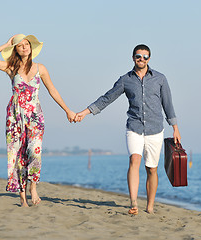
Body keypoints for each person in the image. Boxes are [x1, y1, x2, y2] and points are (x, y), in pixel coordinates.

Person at [74, 44, 181, 214]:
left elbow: (168, 104)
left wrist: (175, 128)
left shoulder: (160, 79)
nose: (142, 59)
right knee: (134, 160)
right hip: (134, 127)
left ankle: (150, 206)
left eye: (145, 57)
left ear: (149, 59)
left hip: (155, 129)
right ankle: (133, 203)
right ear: (133, 58)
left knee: (152, 169)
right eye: (139, 56)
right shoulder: (125, 80)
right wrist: (85, 112)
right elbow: (107, 98)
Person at [0, 34, 76, 207]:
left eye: (27, 44)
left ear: (31, 48)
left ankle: (33, 187)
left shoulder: (40, 68)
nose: (25, 47)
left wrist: (67, 110)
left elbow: (53, 91)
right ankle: (22, 197)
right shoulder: (10, 68)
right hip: (15, 116)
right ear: (16, 50)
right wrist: (6, 44)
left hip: (35, 116)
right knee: (18, 155)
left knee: (34, 152)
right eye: (20, 45)